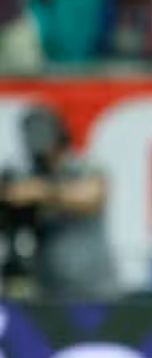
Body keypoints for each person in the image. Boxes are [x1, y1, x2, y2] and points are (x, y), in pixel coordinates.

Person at [0, 106, 115, 301]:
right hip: (47, 288)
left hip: (93, 287)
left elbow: (91, 197)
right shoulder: (25, 174)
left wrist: (43, 191)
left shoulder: (82, 167)